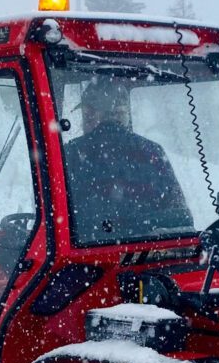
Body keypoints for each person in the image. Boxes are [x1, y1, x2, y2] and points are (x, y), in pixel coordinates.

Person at [63, 80, 192, 243]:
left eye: (87, 115)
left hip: (88, 257)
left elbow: (61, 218)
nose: (84, 122)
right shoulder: (152, 151)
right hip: (152, 253)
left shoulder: (72, 153)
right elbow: (180, 215)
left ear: (94, 114)